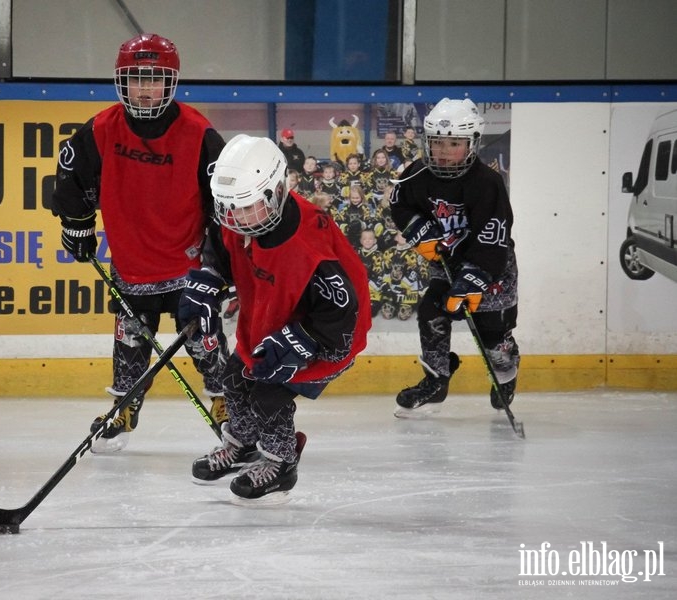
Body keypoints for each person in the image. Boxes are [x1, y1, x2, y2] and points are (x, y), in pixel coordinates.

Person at [50, 33, 230, 452]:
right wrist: (77, 224)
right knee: (130, 339)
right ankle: (124, 409)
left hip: (187, 265)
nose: (145, 89)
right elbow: (70, 180)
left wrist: (224, 263)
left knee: (205, 338)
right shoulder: (100, 129)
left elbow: (224, 203)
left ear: (171, 82)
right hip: (132, 263)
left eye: (155, 79)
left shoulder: (199, 133)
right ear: (121, 81)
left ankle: (227, 402)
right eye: (136, 79)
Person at [178, 134, 371, 504]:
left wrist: (301, 340)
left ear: (277, 190)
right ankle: (245, 444)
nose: (235, 217)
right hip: (270, 315)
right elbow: (220, 253)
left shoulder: (308, 244)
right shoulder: (241, 216)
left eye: (246, 206)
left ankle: (281, 463)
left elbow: (342, 308)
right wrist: (206, 281)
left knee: (267, 392)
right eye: (228, 206)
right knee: (234, 377)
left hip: (328, 333)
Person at [390, 97, 519, 416]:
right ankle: (437, 378)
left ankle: (505, 375)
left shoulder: (487, 183)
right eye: (437, 142)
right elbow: (399, 203)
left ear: (472, 144)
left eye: (454, 143)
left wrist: (475, 277)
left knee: (493, 336)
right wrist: (418, 229)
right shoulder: (416, 174)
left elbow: (494, 235)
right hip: (446, 263)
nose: (444, 150)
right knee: (430, 314)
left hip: (492, 269)